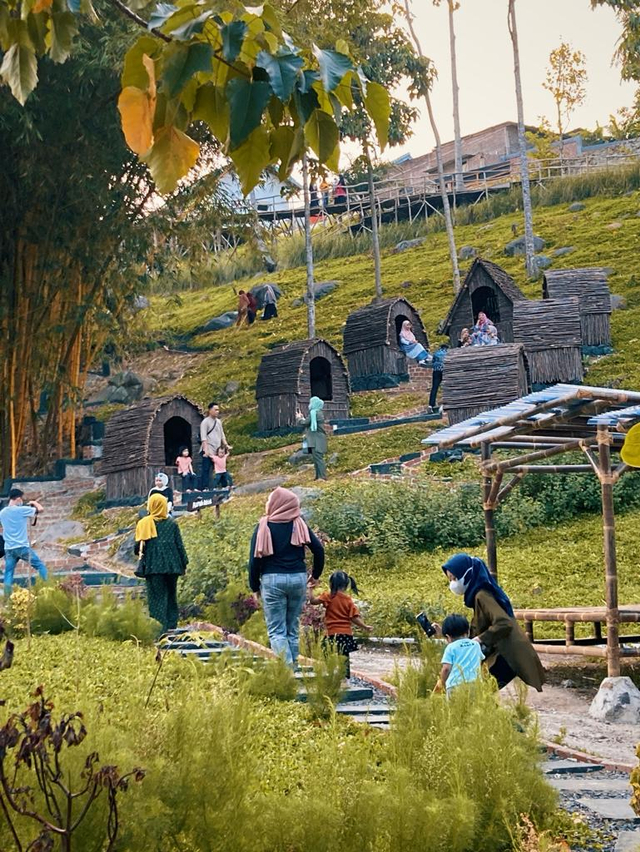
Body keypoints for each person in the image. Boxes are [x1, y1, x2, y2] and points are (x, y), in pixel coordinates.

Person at [441, 553, 545, 692]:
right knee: (478, 693)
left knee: (477, 692)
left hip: (506, 654)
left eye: (455, 578)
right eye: (450, 580)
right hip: (501, 652)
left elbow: (504, 623)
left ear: (467, 574)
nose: (453, 583)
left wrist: (479, 639)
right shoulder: (478, 595)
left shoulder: (482, 595)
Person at [248, 487, 325, 667]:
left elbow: (254, 560)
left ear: (275, 503)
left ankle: (287, 671)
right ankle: (294, 666)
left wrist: (254, 586)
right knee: (292, 627)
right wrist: (315, 575)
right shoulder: (299, 523)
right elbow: (318, 549)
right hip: (298, 578)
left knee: (276, 631)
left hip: (272, 579)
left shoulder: (263, 525)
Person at [134, 494, 188, 634]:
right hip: (173, 566)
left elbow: (137, 548)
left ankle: (158, 628)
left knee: (156, 597)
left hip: (153, 567)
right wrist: (184, 563)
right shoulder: (172, 524)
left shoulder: (144, 523)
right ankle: (172, 625)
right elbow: (179, 545)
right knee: (171, 594)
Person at [307, 571, 372, 679]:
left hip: (331, 633)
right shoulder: (348, 600)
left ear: (331, 583)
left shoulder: (328, 596)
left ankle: (330, 676)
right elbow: (354, 618)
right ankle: (345, 679)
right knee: (344, 658)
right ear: (346, 585)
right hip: (346, 634)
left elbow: (312, 601)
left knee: (328, 655)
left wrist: (310, 588)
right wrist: (364, 626)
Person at [0, 489, 47, 597]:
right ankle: (50, 585)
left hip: (9, 548)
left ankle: (7, 597)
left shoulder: (2, 513)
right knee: (40, 566)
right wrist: (34, 503)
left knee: (8, 573)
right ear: (18, 499)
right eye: (21, 498)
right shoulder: (21, 510)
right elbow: (40, 509)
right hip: (22, 547)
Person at [438, 613, 484, 694]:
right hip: (475, 684)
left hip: (455, 686)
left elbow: (446, 669)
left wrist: (442, 682)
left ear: (448, 637)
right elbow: (480, 662)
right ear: (468, 632)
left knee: (453, 706)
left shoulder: (451, 648)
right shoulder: (476, 645)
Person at [199, 402, 231, 490]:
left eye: (218, 410)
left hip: (217, 450)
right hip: (208, 449)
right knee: (206, 469)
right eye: (215, 410)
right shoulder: (205, 422)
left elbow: (222, 435)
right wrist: (206, 450)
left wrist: (226, 445)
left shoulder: (218, 422)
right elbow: (203, 437)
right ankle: (204, 487)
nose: (217, 411)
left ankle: (223, 486)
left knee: (220, 469)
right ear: (210, 410)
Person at [300, 396, 328, 481]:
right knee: (316, 458)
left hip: (316, 440)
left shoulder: (314, 413)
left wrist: (299, 418)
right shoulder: (318, 413)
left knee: (318, 459)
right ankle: (318, 476)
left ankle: (322, 477)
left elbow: (305, 423)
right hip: (317, 439)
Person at [429, 343, 447, 412]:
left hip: (436, 371)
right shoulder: (447, 353)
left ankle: (431, 405)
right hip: (444, 371)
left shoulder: (436, 353)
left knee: (434, 388)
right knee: (445, 387)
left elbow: (433, 362)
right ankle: (444, 403)